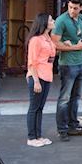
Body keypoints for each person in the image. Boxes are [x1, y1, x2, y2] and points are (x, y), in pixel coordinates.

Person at [52, 0, 82, 142]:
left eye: (75, 8)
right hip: (67, 64)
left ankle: (73, 124)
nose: (72, 10)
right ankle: (62, 129)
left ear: (81, 7)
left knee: (76, 97)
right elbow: (55, 44)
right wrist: (76, 47)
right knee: (64, 98)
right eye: (70, 7)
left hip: (81, 63)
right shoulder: (62, 21)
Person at [26, 13, 56, 147]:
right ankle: (31, 137)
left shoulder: (48, 39)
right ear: (44, 23)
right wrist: (36, 81)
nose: (53, 21)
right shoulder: (36, 40)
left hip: (47, 76)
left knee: (40, 108)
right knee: (34, 108)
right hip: (37, 77)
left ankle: (38, 136)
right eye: (50, 20)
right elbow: (31, 62)